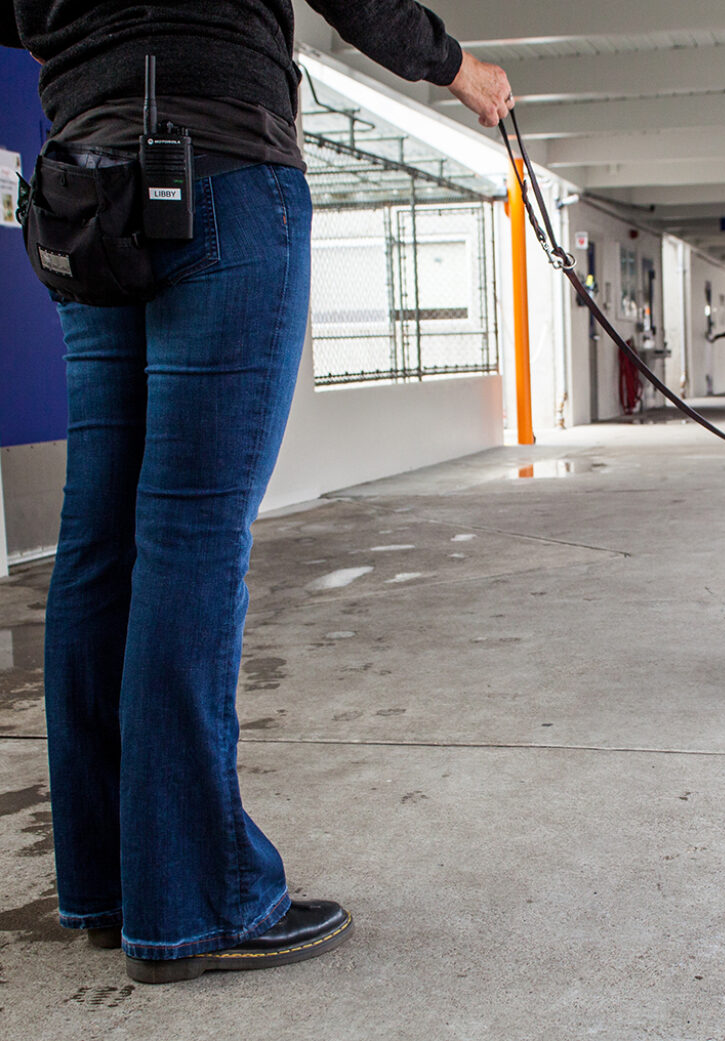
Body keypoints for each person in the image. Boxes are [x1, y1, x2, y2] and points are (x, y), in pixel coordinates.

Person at [1, 1, 512, 984]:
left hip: (85, 187)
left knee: (98, 545)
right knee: (188, 537)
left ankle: (113, 884)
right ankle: (200, 899)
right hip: (219, 171)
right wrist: (457, 68)